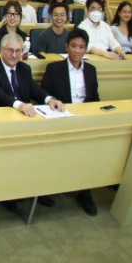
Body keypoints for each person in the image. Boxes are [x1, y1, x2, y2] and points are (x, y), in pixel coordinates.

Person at [40, 29, 100, 216]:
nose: (77, 51)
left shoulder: (91, 70)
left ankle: (85, 192)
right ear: (67, 47)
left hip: (84, 118)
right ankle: (44, 190)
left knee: (91, 147)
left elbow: (95, 98)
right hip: (61, 117)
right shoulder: (54, 68)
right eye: (73, 46)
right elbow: (44, 96)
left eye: (81, 47)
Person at [0, 33, 64, 116]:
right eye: (10, 50)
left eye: (18, 51)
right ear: (1, 50)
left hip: (24, 114)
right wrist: (20, 105)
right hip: (1, 115)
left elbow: (35, 90)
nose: (14, 55)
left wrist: (50, 100)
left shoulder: (24, 68)